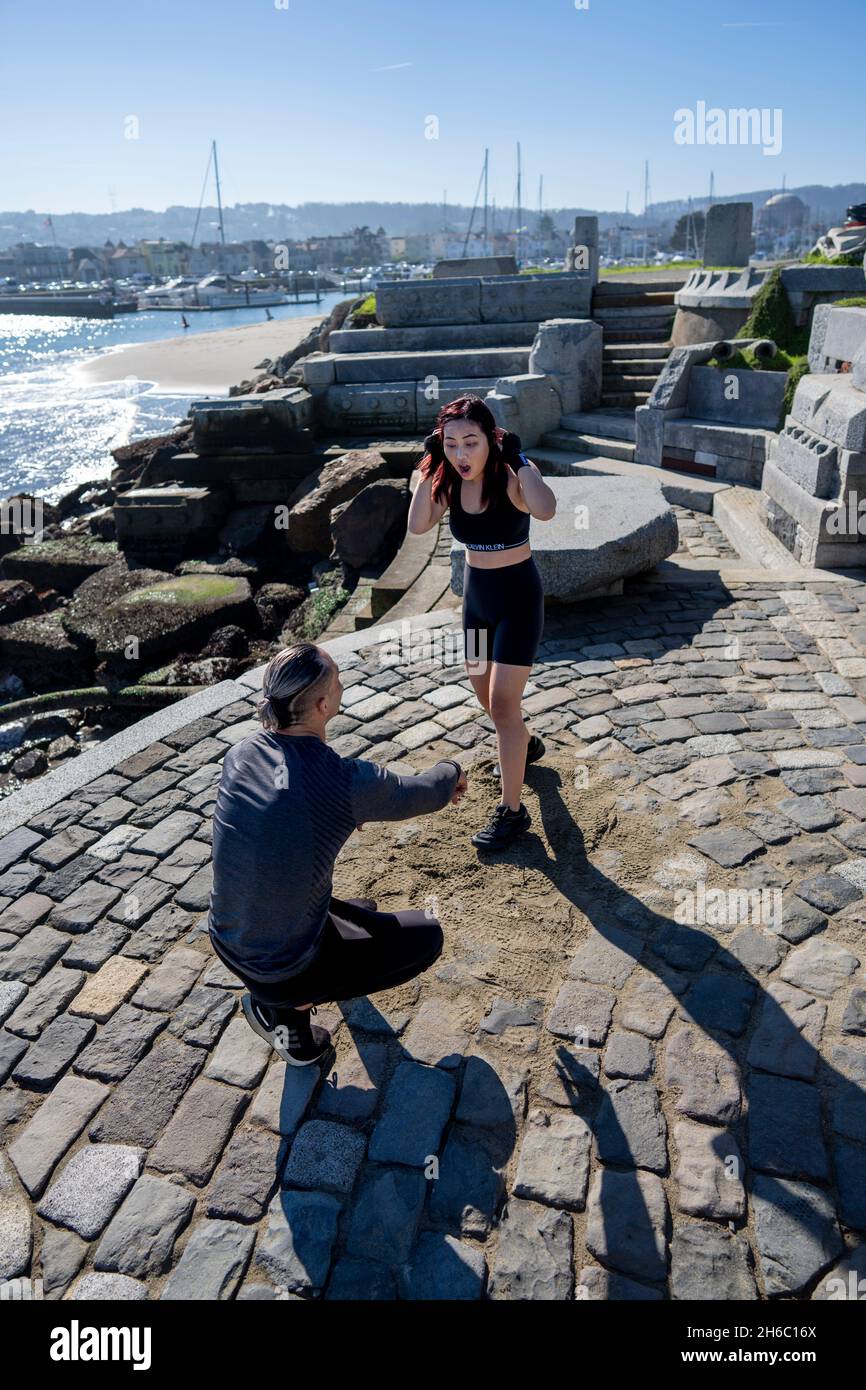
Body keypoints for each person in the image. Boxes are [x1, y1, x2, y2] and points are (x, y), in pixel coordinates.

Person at [207, 642, 468, 1065]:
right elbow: (420, 792)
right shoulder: (347, 783)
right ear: (324, 704)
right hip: (283, 969)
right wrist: (453, 770)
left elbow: (277, 829)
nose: (344, 684)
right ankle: (285, 1014)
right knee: (427, 935)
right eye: (339, 679)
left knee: (344, 904)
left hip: (226, 937)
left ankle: (292, 980)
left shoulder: (240, 754)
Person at [407, 394, 557, 850]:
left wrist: (519, 457)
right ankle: (525, 747)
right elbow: (417, 525)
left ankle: (512, 813)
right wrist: (429, 466)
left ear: (491, 440)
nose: (461, 454)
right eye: (451, 444)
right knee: (489, 703)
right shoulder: (448, 481)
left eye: (470, 442)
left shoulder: (511, 478)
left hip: (518, 602)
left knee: (504, 707)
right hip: (476, 607)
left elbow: (546, 508)